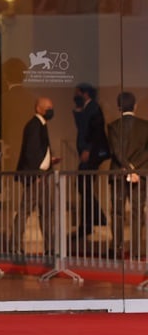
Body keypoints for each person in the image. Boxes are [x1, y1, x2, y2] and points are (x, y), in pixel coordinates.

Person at [12, 97, 60, 259]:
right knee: (25, 210)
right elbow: (31, 152)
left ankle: (50, 248)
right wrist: (36, 173)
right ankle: (16, 246)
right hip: (36, 177)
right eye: (48, 107)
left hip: (43, 176)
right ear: (39, 108)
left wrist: (50, 161)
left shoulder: (41, 125)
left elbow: (39, 150)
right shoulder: (34, 125)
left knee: (47, 212)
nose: (50, 110)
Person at [106, 92, 148, 259]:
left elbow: (116, 151)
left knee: (117, 212)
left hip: (118, 173)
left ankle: (117, 249)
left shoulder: (113, 126)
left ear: (118, 107)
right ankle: (137, 251)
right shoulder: (146, 126)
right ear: (135, 105)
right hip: (139, 175)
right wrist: (135, 169)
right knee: (138, 212)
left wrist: (127, 168)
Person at [72, 82, 109, 243]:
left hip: (92, 154)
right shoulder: (87, 108)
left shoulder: (94, 108)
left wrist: (87, 149)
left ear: (85, 94)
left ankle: (93, 220)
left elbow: (95, 130)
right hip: (88, 153)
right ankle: (94, 219)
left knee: (83, 185)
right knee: (83, 186)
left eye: (78, 93)